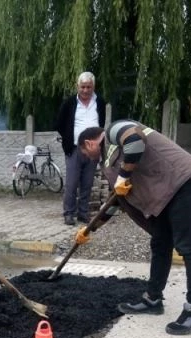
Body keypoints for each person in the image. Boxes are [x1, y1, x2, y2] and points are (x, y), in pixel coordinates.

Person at [75, 122, 191, 335]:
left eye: (85, 153)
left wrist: (123, 176)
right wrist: (89, 230)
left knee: (188, 247)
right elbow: (115, 201)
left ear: (89, 143)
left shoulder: (114, 130)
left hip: (185, 183)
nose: (88, 158)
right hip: (167, 195)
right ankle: (153, 299)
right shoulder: (109, 164)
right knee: (160, 244)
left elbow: (134, 139)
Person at [55, 72, 107, 226]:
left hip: (93, 150)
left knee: (87, 183)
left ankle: (83, 214)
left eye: (88, 87)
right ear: (77, 86)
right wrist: (68, 138)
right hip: (75, 149)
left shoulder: (100, 102)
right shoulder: (69, 103)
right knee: (71, 184)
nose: (85, 90)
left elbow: (101, 122)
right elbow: (59, 123)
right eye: (83, 87)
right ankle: (69, 213)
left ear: (93, 87)